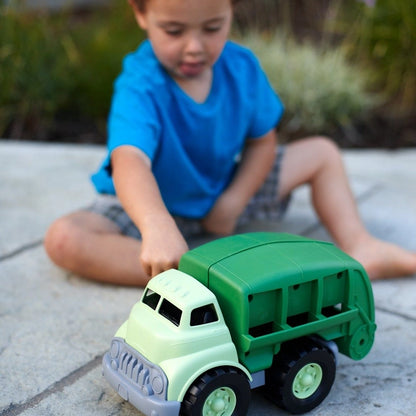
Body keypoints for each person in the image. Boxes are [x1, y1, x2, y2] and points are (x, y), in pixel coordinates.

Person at [44, 0, 416, 286]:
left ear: (231, 11)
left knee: (321, 152)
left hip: (222, 190)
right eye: (174, 30)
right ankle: (193, 277)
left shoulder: (242, 67)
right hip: (148, 206)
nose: (194, 47)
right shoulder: (140, 83)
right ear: (140, 13)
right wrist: (156, 226)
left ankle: (361, 245)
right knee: (65, 238)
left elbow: (262, 143)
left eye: (212, 27)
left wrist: (234, 199)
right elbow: (130, 161)